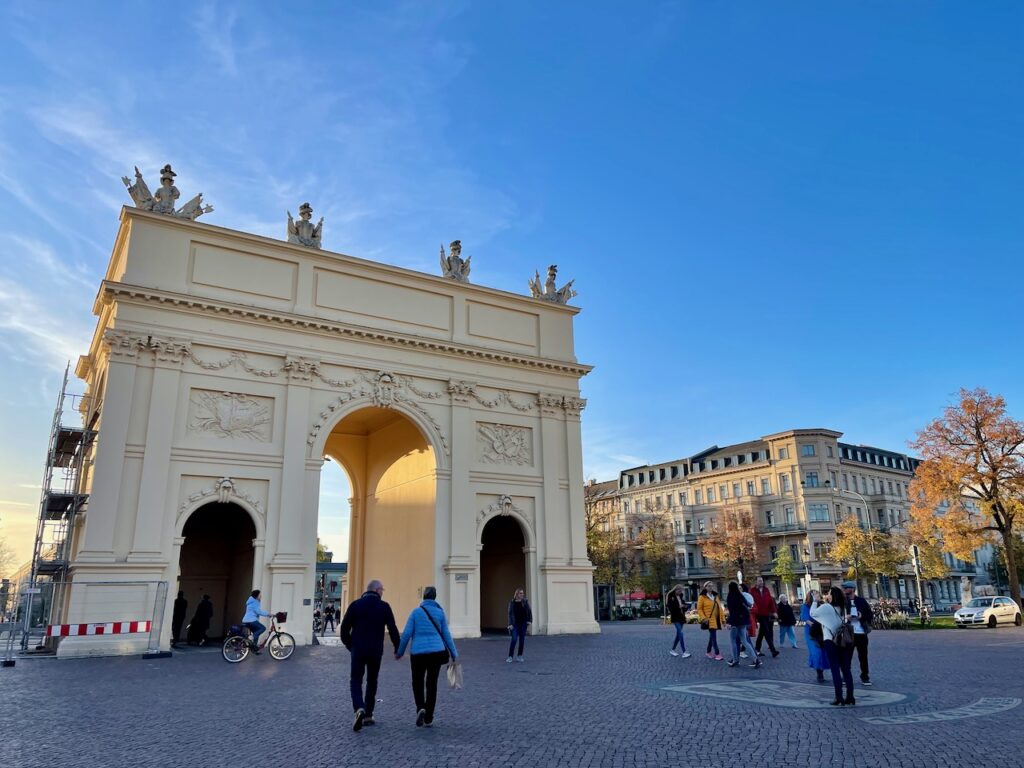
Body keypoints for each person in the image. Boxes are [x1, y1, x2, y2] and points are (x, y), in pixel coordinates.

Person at [340, 580, 400, 731]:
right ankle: (368, 714)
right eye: (382, 590)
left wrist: (350, 645)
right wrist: (397, 648)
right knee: (372, 681)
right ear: (377, 590)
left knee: (355, 680)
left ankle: (359, 707)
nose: (382, 593)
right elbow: (393, 629)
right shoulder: (384, 606)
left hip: (358, 650)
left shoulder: (355, 605)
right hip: (375, 651)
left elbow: (344, 629)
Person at [396, 586, 458, 727]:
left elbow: (406, 634)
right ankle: (429, 716)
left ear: (423, 597)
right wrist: (454, 653)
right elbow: (446, 635)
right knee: (432, 684)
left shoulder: (416, 612)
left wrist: (399, 652)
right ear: (435, 597)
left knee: (417, 682)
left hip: (418, 653)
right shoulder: (440, 613)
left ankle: (420, 707)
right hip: (436, 652)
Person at [812, 586, 855, 706]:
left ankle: (839, 696)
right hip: (843, 641)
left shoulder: (826, 607)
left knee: (835, 669)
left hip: (831, 641)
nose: (827, 595)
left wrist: (815, 601)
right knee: (846, 669)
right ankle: (850, 696)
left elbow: (813, 614)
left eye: (829, 594)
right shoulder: (843, 607)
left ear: (832, 596)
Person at [842, 581, 873, 686]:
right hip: (848, 632)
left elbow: (870, 615)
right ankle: (846, 677)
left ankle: (865, 676)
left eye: (846, 588)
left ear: (852, 589)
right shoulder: (843, 602)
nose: (844, 590)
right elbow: (837, 616)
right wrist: (846, 617)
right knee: (847, 656)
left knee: (863, 656)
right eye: (844, 588)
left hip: (861, 633)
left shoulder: (861, 601)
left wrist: (861, 616)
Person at [725, 582, 760, 668]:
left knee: (733, 640)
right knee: (744, 641)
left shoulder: (730, 597)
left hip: (735, 622)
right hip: (743, 621)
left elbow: (732, 611)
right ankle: (755, 659)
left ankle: (735, 660)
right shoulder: (740, 595)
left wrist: (729, 622)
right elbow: (749, 604)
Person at [801, 590, 830, 682]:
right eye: (815, 594)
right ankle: (819, 674)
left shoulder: (822, 605)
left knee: (824, 651)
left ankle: (823, 670)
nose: (817, 596)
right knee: (816, 652)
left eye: (818, 594)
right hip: (811, 633)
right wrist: (816, 625)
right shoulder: (805, 606)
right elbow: (807, 620)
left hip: (822, 632)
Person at [750, 576, 780, 658]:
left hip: (766, 613)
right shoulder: (752, 591)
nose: (761, 582)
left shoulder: (766, 590)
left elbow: (770, 601)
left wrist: (774, 612)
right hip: (758, 614)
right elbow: (750, 602)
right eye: (759, 581)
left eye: (762, 581)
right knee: (766, 631)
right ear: (756, 582)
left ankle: (757, 648)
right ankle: (773, 650)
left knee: (762, 632)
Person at [696, 581, 724, 660]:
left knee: (712, 636)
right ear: (705, 587)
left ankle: (708, 652)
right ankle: (717, 653)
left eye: (711, 586)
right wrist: (703, 618)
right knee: (714, 636)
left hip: (716, 619)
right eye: (708, 586)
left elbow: (720, 609)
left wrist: (723, 619)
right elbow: (699, 609)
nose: (710, 587)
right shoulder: (702, 597)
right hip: (708, 620)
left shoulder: (715, 596)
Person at [506, 588, 533, 662]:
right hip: (515, 624)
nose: (522, 594)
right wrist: (510, 624)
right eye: (520, 593)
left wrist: (529, 620)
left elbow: (529, 611)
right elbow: (510, 614)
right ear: (517, 594)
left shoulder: (525, 602)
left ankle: (519, 656)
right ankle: (510, 656)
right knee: (514, 639)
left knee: (522, 640)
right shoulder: (512, 602)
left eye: (522, 593)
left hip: (523, 624)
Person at [666, 585, 691, 659]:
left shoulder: (680, 597)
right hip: (675, 617)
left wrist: (685, 607)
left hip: (681, 617)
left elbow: (683, 607)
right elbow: (670, 607)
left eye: (681, 591)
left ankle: (672, 650)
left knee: (678, 635)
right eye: (679, 591)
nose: (680, 592)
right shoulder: (671, 596)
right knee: (680, 633)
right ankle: (684, 651)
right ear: (676, 590)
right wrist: (679, 606)